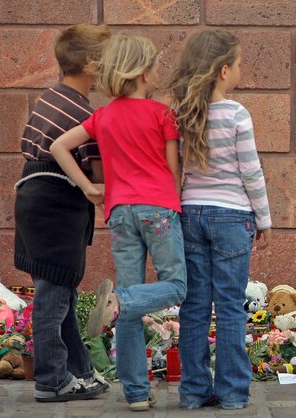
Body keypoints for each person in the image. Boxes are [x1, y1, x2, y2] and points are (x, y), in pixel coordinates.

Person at [50, 34, 187, 412]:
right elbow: (174, 171)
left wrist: (90, 188)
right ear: (144, 73)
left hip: (119, 212)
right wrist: (174, 204)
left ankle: (137, 394)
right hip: (158, 208)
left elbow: (58, 146)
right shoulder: (163, 115)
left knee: (129, 304)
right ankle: (118, 301)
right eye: (156, 65)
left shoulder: (103, 115)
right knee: (176, 286)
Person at [168, 30, 271, 410]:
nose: (241, 71)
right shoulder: (237, 114)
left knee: (194, 305)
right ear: (224, 70)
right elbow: (251, 172)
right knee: (229, 306)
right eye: (239, 65)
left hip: (191, 213)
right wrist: (264, 218)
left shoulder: (183, 114)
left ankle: (194, 391)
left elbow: (175, 169)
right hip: (232, 217)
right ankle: (231, 393)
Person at [13, 23, 111, 402]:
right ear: (90, 63)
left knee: (61, 292)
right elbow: (99, 174)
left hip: (35, 199)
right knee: (53, 297)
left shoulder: (51, 97)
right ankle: (52, 379)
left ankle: (80, 370)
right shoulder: (82, 114)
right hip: (58, 206)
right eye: (107, 59)